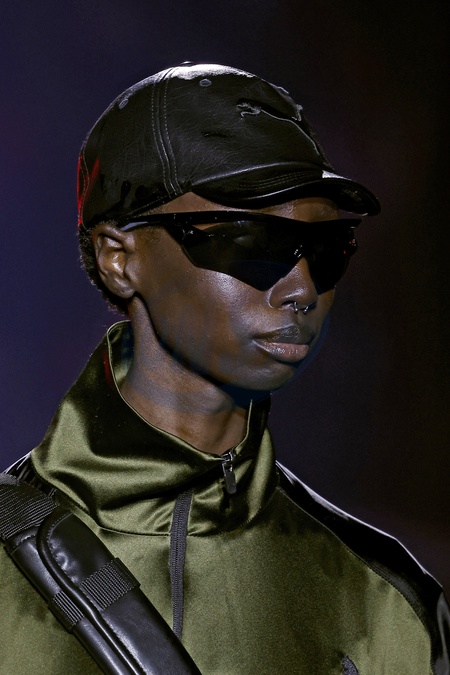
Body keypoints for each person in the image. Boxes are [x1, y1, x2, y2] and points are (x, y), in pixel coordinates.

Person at [0, 63, 448, 674]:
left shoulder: (389, 602)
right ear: (119, 259)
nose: (302, 288)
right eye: (249, 242)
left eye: (327, 249)